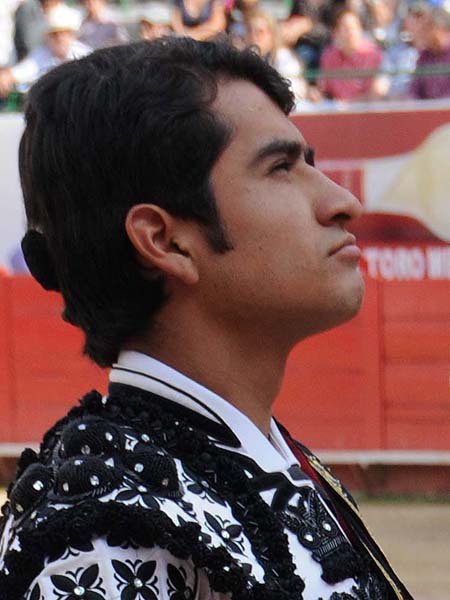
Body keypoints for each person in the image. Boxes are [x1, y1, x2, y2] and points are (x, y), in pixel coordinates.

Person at [0, 38, 413, 600]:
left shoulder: (257, 455)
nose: (343, 202)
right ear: (166, 241)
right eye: (280, 168)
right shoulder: (110, 534)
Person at [0, 4, 89, 97]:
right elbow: (23, 70)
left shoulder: (83, 54)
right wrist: (6, 76)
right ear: (48, 38)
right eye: (55, 35)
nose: (60, 38)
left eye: (64, 34)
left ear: (72, 36)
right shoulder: (42, 53)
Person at [319, 7, 386, 101]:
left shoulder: (374, 54)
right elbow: (322, 89)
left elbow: (378, 92)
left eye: (354, 28)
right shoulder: (329, 56)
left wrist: (348, 104)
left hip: (366, 108)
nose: (351, 33)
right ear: (335, 32)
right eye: (345, 28)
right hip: (336, 108)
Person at [247, 10, 309, 101]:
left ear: (272, 34)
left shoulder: (283, 57)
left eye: (260, 32)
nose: (254, 36)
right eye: (250, 31)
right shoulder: (248, 59)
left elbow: (292, 93)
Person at [409, 6, 450, 99]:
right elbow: (414, 90)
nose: (421, 33)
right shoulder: (424, 55)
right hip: (427, 107)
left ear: (438, 29)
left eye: (425, 28)